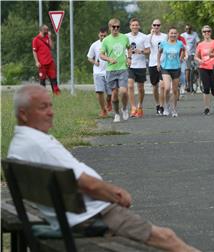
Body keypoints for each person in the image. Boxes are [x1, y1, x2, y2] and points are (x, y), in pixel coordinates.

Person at [8, 84, 200, 252]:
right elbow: (88, 185)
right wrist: (116, 194)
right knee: (167, 237)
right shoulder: (41, 145)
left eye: (51, 106)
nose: (51, 112)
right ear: (23, 114)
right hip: (89, 216)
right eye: (43, 107)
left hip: (68, 216)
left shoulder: (21, 142)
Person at [100, 18, 131, 123]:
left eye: (118, 27)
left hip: (122, 68)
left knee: (124, 91)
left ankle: (125, 108)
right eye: (114, 27)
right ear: (110, 28)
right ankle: (117, 114)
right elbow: (101, 55)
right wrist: (109, 59)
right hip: (111, 70)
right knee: (114, 94)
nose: (116, 28)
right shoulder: (106, 40)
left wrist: (129, 58)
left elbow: (129, 47)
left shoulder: (124, 38)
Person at [157, 27, 185, 117]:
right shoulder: (164, 43)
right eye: (171, 33)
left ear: (177, 34)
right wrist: (158, 63)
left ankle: (174, 109)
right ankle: (166, 106)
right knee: (167, 88)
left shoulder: (180, 43)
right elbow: (159, 53)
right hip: (165, 68)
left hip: (176, 68)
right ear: (168, 34)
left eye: (175, 33)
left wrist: (180, 59)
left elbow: (184, 50)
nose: (173, 35)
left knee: (175, 90)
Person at [126, 18, 150, 118]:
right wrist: (128, 58)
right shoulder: (125, 37)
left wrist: (142, 51)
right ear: (130, 26)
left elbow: (148, 51)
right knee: (130, 85)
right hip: (130, 65)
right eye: (133, 25)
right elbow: (124, 49)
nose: (135, 27)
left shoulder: (144, 37)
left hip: (141, 65)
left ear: (139, 26)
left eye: (136, 25)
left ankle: (140, 106)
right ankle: (133, 107)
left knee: (140, 88)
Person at [87, 27, 112, 118]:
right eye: (101, 35)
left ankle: (109, 101)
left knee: (110, 93)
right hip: (98, 72)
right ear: (99, 35)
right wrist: (95, 62)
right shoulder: (95, 45)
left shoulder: (110, 43)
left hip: (109, 71)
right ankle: (103, 110)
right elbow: (89, 57)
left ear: (107, 35)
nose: (103, 37)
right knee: (99, 91)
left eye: (104, 36)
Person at [32, 24, 60, 95]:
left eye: (47, 30)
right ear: (41, 30)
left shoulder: (47, 37)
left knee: (53, 78)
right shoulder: (36, 39)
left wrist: (50, 37)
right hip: (42, 63)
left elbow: (51, 47)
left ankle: (56, 93)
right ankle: (43, 95)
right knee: (42, 80)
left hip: (50, 62)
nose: (47, 31)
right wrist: (37, 62)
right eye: (45, 30)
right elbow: (34, 51)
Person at [194, 25, 214, 115]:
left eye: (208, 31)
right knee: (206, 88)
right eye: (204, 32)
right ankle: (206, 108)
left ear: (211, 32)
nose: (206, 33)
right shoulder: (200, 44)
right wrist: (200, 60)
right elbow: (196, 56)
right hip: (203, 67)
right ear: (202, 33)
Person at [147, 19, 167, 115]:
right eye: (154, 25)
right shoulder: (149, 37)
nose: (156, 27)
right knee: (155, 86)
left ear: (160, 26)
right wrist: (151, 34)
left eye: (158, 25)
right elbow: (147, 46)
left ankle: (162, 106)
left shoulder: (165, 36)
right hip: (152, 63)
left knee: (162, 86)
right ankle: (157, 104)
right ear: (152, 26)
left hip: (164, 63)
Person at [181, 24, 200, 93]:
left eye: (189, 29)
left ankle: (196, 79)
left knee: (196, 67)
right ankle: (187, 84)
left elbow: (198, 42)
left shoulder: (195, 34)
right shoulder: (183, 35)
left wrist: (198, 50)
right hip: (186, 54)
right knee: (188, 69)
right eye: (186, 29)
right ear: (185, 29)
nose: (188, 30)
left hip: (194, 53)